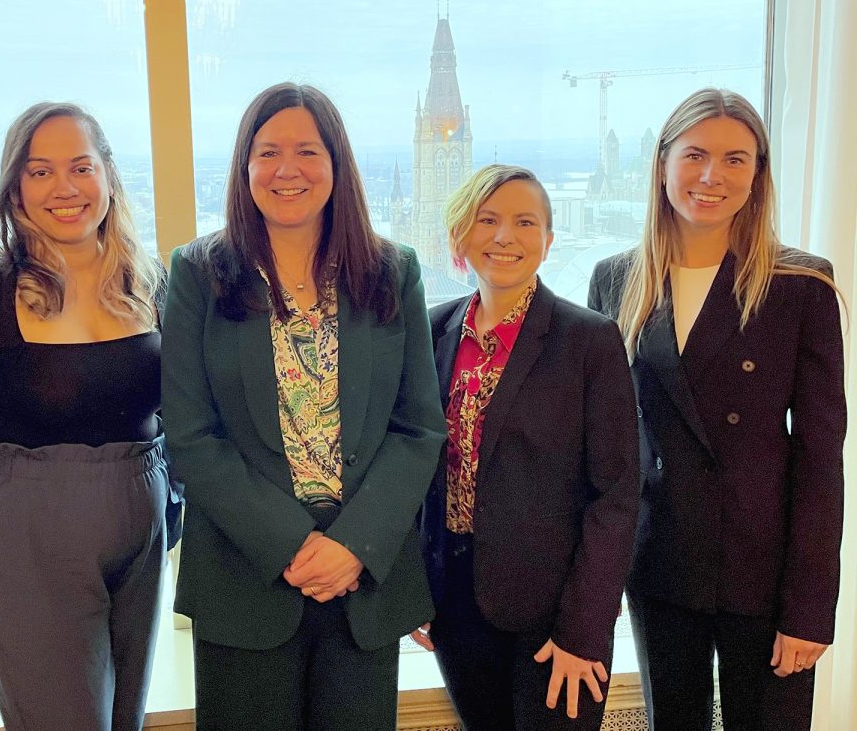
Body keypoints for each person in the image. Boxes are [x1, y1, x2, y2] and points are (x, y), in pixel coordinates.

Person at [161, 82, 446, 730]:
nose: (287, 169)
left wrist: (351, 546)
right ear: (244, 169)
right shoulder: (197, 274)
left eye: (307, 151)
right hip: (245, 578)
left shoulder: (391, 270)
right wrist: (292, 544)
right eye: (268, 152)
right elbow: (190, 435)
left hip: (360, 583)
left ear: (337, 165)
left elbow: (418, 428)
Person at [588, 87, 846, 730]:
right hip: (661, 559)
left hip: (767, 567)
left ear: (759, 173)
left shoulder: (801, 285)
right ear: (662, 163)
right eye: (695, 154)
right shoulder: (616, 279)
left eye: (736, 159)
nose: (712, 176)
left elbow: (821, 460)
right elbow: (603, 443)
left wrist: (810, 608)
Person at [0, 102, 172, 731]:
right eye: (40, 172)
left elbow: (180, 418)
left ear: (108, 176)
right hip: (30, 534)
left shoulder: (149, 282)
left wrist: (173, 508)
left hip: (142, 534)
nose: (65, 188)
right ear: (14, 190)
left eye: (81, 167)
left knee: (123, 721)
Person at [412, 164, 639, 730]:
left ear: (548, 239)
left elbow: (615, 496)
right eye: (486, 220)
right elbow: (415, 471)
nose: (504, 236)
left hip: (556, 617)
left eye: (524, 222)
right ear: (460, 236)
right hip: (456, 605)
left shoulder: (588, 338)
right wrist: (414, 588)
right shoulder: (433, 331)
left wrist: (583, 630)